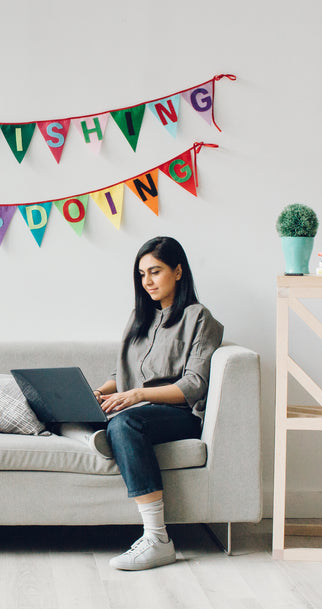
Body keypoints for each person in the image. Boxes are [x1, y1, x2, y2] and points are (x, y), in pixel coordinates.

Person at [93, 236, 224, 570]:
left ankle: (157, 539)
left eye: (155, 271)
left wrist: (137, 395)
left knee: (124, 423)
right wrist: (102, 391)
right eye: (141, 274)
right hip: (135, 408)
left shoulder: (199, 318)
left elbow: (194, 385)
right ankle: (96, 430)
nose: (147, 281)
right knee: (87, 414)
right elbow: (122, 374)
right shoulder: (139, 318)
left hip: (177, 413)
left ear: (178, 271)